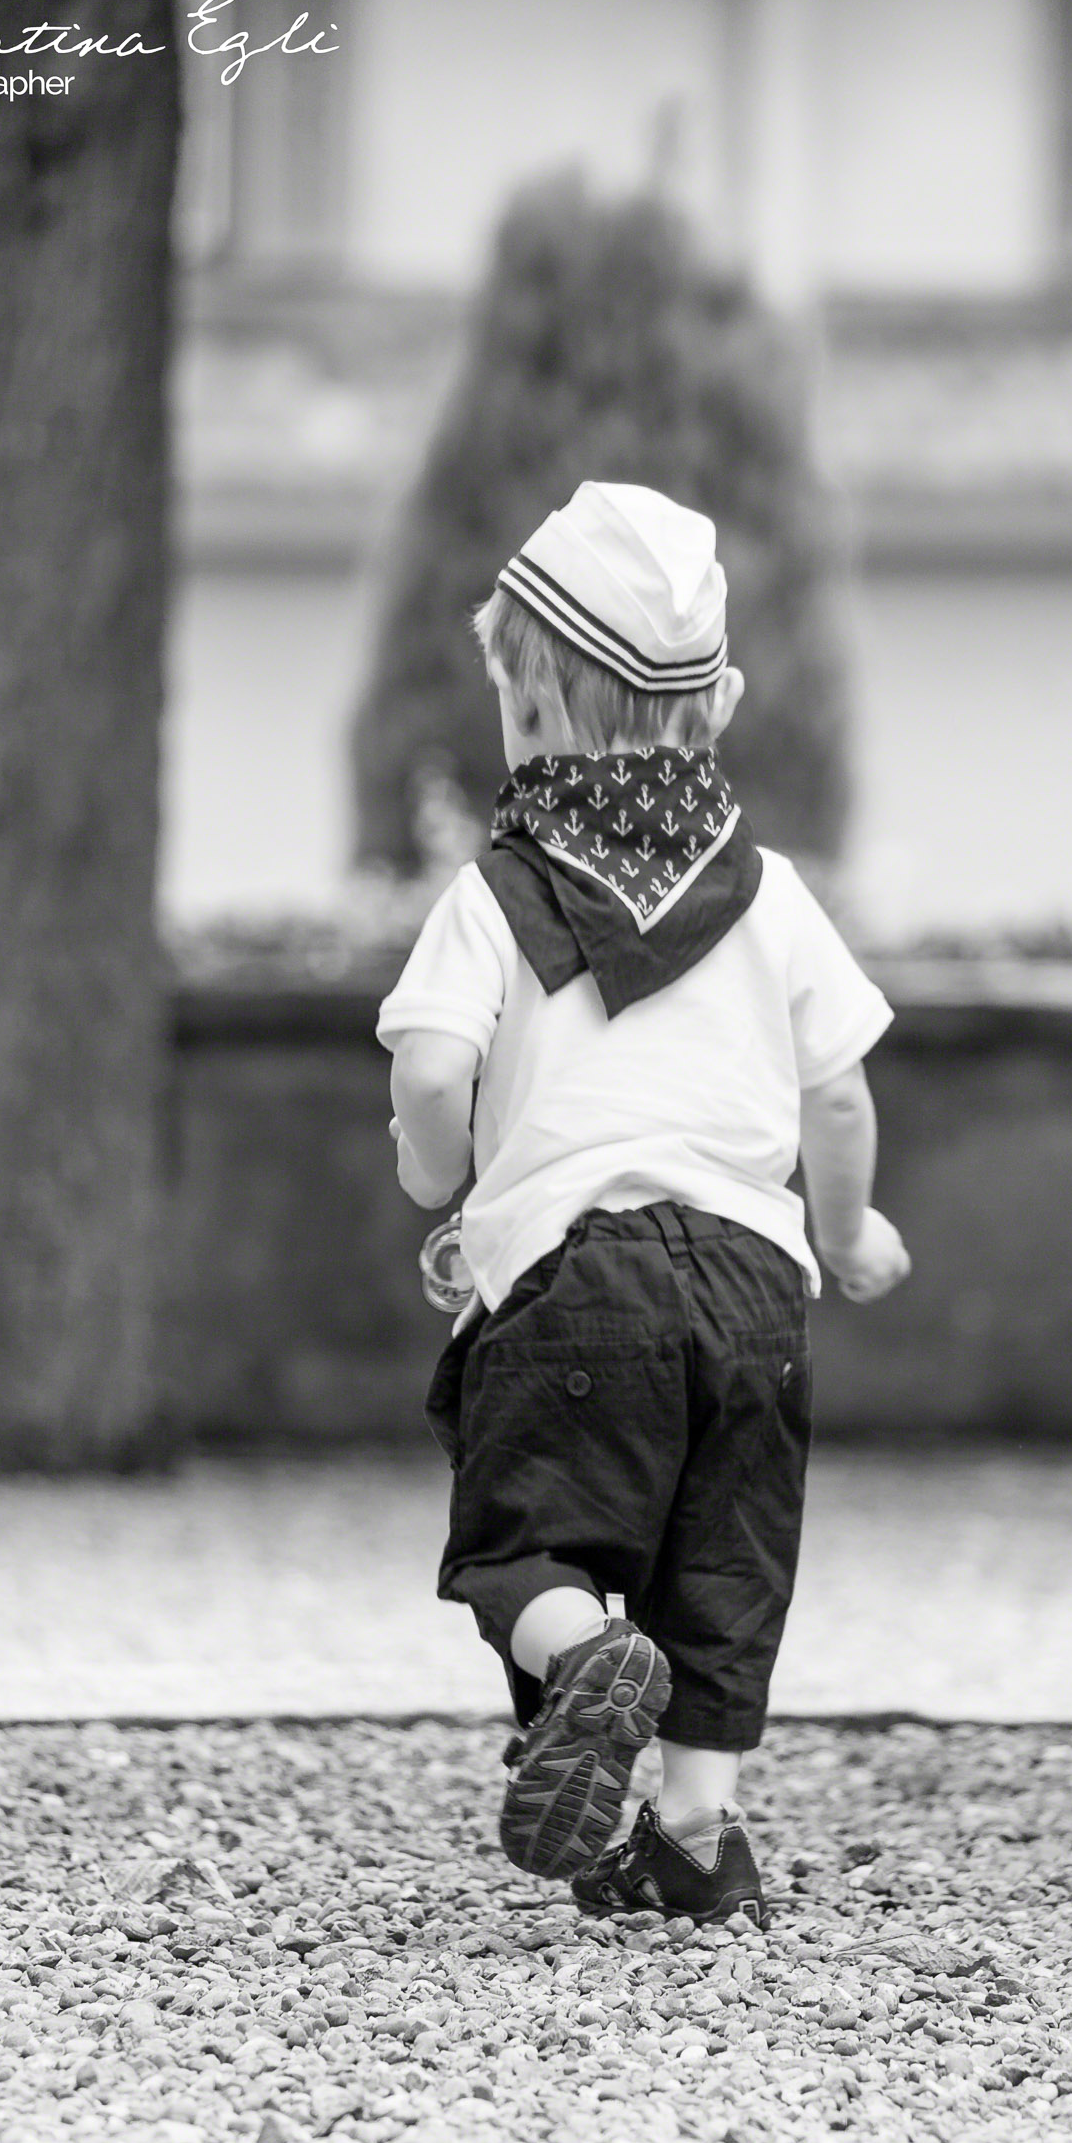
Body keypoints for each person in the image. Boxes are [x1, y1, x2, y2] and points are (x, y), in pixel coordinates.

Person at [377, 480, 908, 1928]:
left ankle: (580, 1655)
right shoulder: (775, 895)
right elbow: (841, 1094)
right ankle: (692, 1837)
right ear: (720, 699)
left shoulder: (495, 894)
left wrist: (446, 1170)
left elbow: (432, 1067)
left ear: (522, 700)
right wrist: (848, 1231)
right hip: (754, 1291)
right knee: (722, 1565)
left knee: (521, 1545)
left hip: (574, 1280)